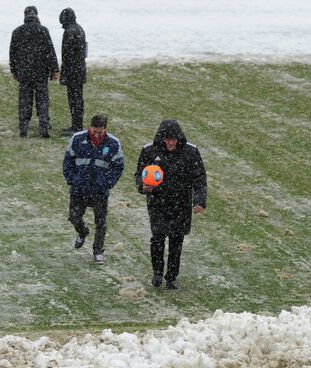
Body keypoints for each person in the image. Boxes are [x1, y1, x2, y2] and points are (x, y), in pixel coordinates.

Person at [135, 120, 207, 289]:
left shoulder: (190, 152)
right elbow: (139, 174)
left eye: (173, 139)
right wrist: (142, 186)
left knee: (176, 240)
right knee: (158, 238)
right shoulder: (149, 151)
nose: (170, 143)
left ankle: (171, 276)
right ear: (161, 138)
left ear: (179, 138)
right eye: (167, 139)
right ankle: (157, 272)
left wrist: (200, 201)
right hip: (157, 202)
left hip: (181, 203)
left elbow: (200, 179)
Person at [63, 115, 124, 264]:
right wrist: (72, 179)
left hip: (99, 190)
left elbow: (118, 166)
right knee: (73, 217)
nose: (96, 135)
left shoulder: (113, 143)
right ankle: (83, 232)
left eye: (100, 132)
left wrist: (107, 183)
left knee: (101, 222)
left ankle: (98, 251)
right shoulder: (77, 139)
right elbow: (68, 160)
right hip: (79, 188)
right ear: (89, 126)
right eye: (94, 131)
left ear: (105, 129)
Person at [9, 6, 59, 138]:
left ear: (25, 16)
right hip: (40, 72)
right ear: (36, 15)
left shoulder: (17, 31)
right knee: (42, 100)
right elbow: (50, 51)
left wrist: (14, 70)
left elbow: (12, 53)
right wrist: (54, 69)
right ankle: (43, 128)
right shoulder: (43, 30)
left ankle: (23, 128)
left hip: (24, 73)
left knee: (24, 100)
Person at [58, 8, 88, 137]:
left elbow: (67, 54)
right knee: (78, 99)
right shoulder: (79, 29)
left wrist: (65, 72)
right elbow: (82, 51)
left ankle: (76, 126)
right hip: (79, 69)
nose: (62, 25)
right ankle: (77, 125)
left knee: (74, 99)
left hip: (73, 71)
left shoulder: (70, 31)